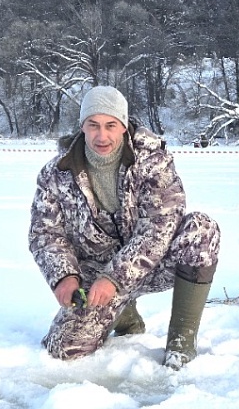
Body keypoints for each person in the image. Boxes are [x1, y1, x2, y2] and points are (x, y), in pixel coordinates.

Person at [28, 86, 220, 369]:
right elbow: (45, 233)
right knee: (65, 348)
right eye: (93, 125)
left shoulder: (152, 160)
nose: (101, 136)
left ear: (124, 126)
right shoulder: (56, 173)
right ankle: (124, 312)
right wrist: (64, 277)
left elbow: (160, 226)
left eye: (110, 125)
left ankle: (181, 342)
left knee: (201, 229)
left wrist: (115, 279)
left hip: (151, 264)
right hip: (94, 274)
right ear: (82, 126)